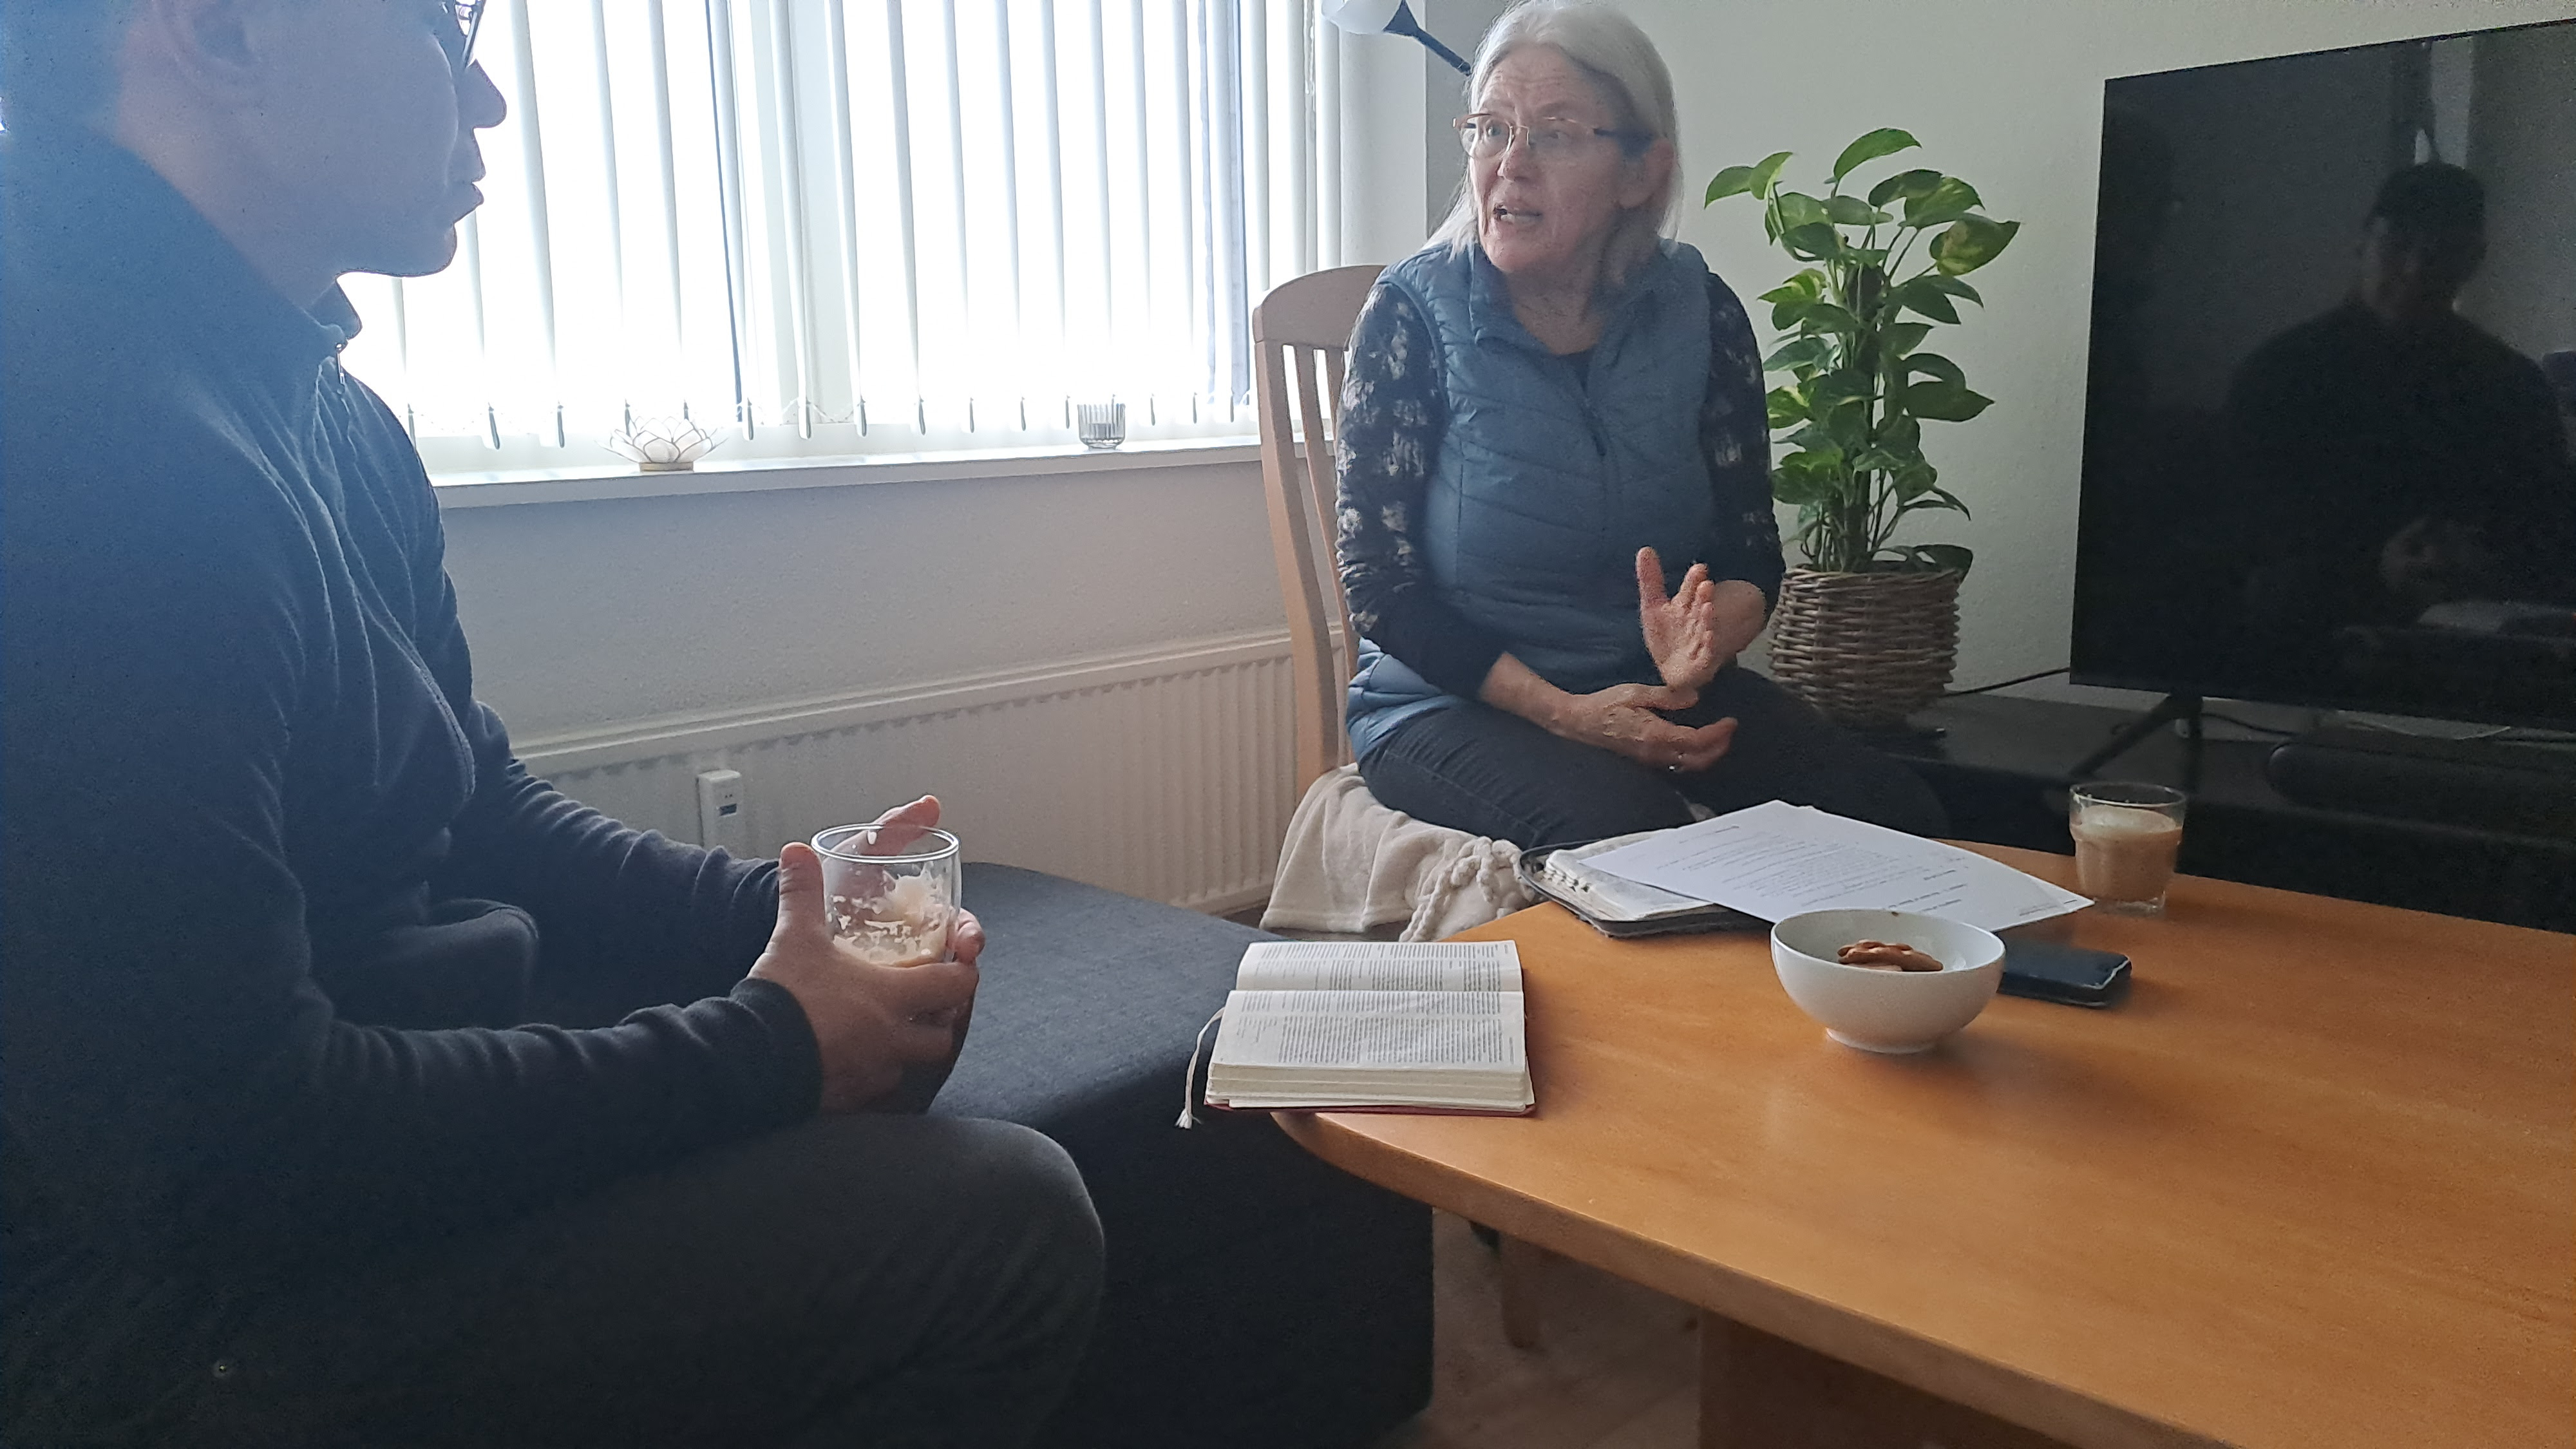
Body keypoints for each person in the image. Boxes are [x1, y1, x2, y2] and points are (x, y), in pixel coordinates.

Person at [0, 3, 1099, 1446]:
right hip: (145, 1303)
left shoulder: (325, 414)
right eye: (437, 31)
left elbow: (478, 810)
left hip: (306, 1126)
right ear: (219, 36)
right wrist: (773, 1045)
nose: (488, 96)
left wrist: (783, 915)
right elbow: (216, 1151)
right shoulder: (76, 442)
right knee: (1000, 1221)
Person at [1334, 0, 1947, 849]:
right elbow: (1381, 588)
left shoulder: (1702, 311)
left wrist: (1705, 639)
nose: (1509, 165)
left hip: (1655, 690)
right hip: (1448, 702)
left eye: (1552, 133)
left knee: (1894, 813)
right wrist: (1567, 713)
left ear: (1640, 173)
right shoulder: (1410, 314)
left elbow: (1749, 552)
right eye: (1490, 129)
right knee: (1637, 837)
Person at [2226, 162, 2573, 672]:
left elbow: (2548, 528)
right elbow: (2246, 539)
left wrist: (2484, 559)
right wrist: (2372, 567)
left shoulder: (2513, 385)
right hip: (2313, 643)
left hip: (2481, 650)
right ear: (2363, 243)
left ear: (2472, 262)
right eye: (2399, 245)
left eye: (2439, 254)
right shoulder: (2280, 374)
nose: (2414, 269)